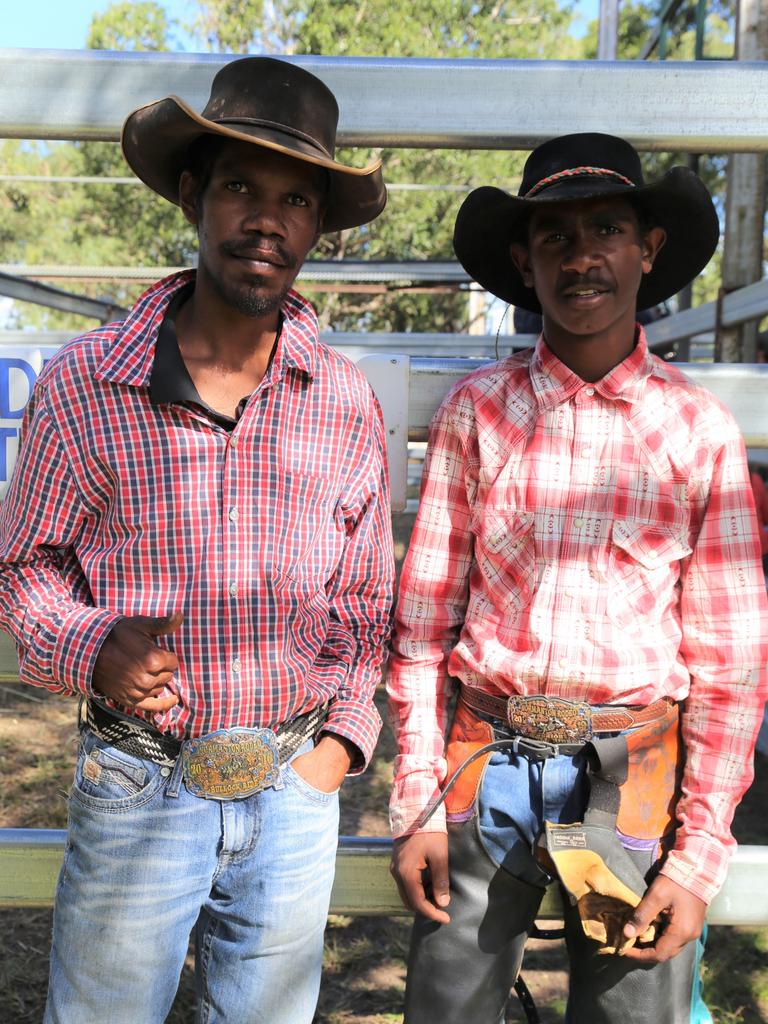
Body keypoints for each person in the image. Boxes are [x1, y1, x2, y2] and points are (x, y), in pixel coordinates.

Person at [0, 57, 394, 1024]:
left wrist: (340, 742)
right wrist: (92, 646)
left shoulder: (341, 400)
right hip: (141, 780)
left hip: (294, 784)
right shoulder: (87, 384)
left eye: (295, 199)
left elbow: (363, 598)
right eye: (240, 188)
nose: (267, 220)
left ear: (317, 227)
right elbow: (24, 566)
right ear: (192, 194)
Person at [388, 132, 768, 1023]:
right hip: (485, 770)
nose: (583, 254)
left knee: (632, 1006)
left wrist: (697, 852)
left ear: (649, 249)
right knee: (453, 1004)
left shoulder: (697, 433)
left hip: (632, 775)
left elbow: (732, 663)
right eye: (554, 236)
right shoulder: (477, 415)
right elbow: (420, 627)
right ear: (523, 261)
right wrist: (417, 802)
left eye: (607, 227)